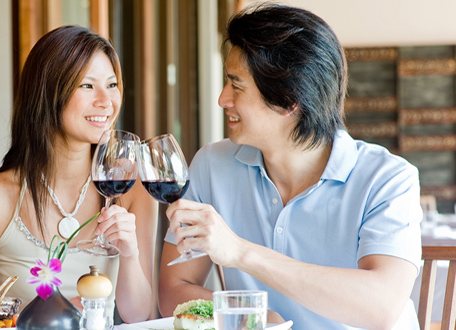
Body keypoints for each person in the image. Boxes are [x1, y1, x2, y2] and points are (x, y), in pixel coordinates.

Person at [158, 3, 422, 330]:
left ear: (287, 99)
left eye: (236, 85)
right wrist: (249, 317)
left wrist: (240, 252)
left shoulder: (388, 179)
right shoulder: (211, 166)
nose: (222, 99)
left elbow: (381, 306)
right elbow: (173, 288)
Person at [0, 25, 158, 323]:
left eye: (112, 85)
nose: (106, 102)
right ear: (48, 92)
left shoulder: (133, 190)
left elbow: (141, 317)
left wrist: (129, 254)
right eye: (87, 86)